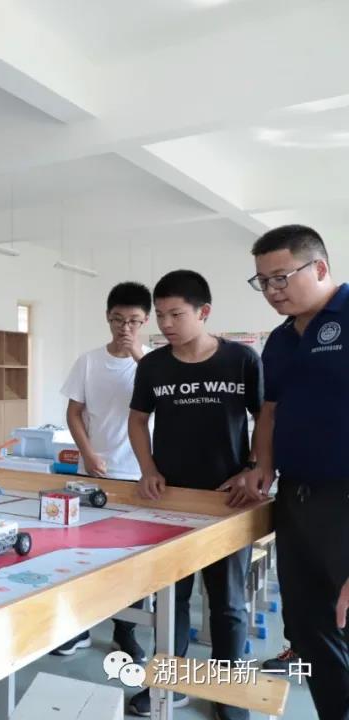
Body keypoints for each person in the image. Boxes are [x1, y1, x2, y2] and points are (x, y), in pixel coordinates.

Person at [126, 270, 261, 720]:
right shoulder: (153, 366)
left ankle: (227, 692)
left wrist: (254, 469)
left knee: (228, 603)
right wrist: (147, 469)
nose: (165, 324)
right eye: (160, 315)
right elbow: (137, 420)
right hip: (171, 500)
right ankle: (170, 682)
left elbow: (266, 418)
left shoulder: (241, 360)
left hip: (228, 501)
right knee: (172, 598)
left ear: (204, 312)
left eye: (176, 314)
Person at [242, 225, 349, 720]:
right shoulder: (281, 341)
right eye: (262, 281)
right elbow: (270, 410)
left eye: (281, 277)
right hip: (297, 498)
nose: (272, 290)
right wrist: (261, 464)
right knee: (309, 626)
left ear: (320, 268)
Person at [51, 282, 151, 660]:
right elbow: (74, 413)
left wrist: (138, 356)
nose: (125, 328)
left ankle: (126, 632)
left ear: (145, 321)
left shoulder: (154, 362)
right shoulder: (89, 361)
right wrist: (88, 453)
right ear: (107, 318)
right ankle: (79, 628)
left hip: (137, 473)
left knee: (131, 560)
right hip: (92, 472)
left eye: (133, 321)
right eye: (118, 320)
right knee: (83, 554)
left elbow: (162, 404)